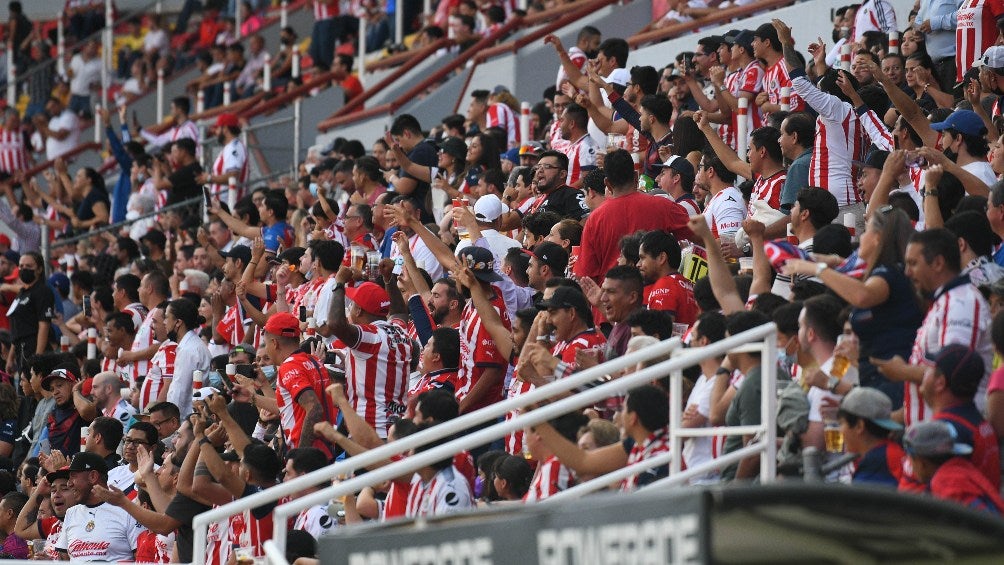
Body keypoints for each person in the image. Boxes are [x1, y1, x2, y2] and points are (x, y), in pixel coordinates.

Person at [783, 207, 921, 407]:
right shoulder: (885, 273)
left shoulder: (889, 275)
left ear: (877, 238)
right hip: (876, 382)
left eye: (865, 231)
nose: (860, 238)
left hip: (892, 385)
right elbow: (858, 280)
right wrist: (834, 262)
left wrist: (816, 269)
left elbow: (862, 295)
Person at [874, 229, 993, 426]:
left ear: (938, 263)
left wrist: (902, 371)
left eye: (913, 263)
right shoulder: (944, 302)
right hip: (933, 437)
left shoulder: (961, 303)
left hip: (953, 435)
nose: (907, 272)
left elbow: (956, 371)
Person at [574, 150, 694, 281]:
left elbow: (585, 275)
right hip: (657, 296)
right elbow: (701, 238)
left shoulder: (595, 219)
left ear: (607, 183)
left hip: (612, 296)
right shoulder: (663, 206)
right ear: (636, 177)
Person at [327, 270, 412, 438]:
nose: (349, 308)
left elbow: (335, 324)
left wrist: (338, 283)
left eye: (351, 305)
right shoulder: (399, 331)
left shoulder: (370, 336)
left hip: (369, 430)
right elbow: (400, 313)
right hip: (395, 430)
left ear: (358, 310)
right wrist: (388, 280)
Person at [264, 312, 335, 455]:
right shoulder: (313, 361)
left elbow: (314, 408)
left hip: (307, 456)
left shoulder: (289, 366)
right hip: (325, 449)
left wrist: (300, 457)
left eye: (265, 344)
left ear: (274, 343)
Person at [903, 420, 1004, 514]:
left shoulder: (946, 483)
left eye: (911, 460)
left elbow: (982, 522)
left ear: (921, 463)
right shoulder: (960, 467)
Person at [56, 452, 141, 560]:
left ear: (93, 476)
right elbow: (63, 559)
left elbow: (141, 557)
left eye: (73, 477)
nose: (69, 483)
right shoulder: (71, 513)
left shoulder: (128, 510)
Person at [5, 252, 53, 374]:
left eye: (29, 266)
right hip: (20, 350)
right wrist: (10, 358)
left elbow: (44, 326)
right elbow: (18, 330)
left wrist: (38, 358)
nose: (24, 269)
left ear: (39, 269)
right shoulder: (22, 292)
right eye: (21, 266)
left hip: (33, 348)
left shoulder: (43, 292)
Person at [163, 298, 212, 419]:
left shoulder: (188, 350)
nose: (164, 322)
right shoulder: (190, 346)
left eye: (166, 317)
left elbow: (180, 392)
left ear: (178, 322)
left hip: (185, 420)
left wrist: (171, 421)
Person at [637, 230, 697, 326]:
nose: (638, 264)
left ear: (661, 258)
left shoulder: (664, 286)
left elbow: (659, 335)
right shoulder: (686, 284)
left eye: (643, 258)